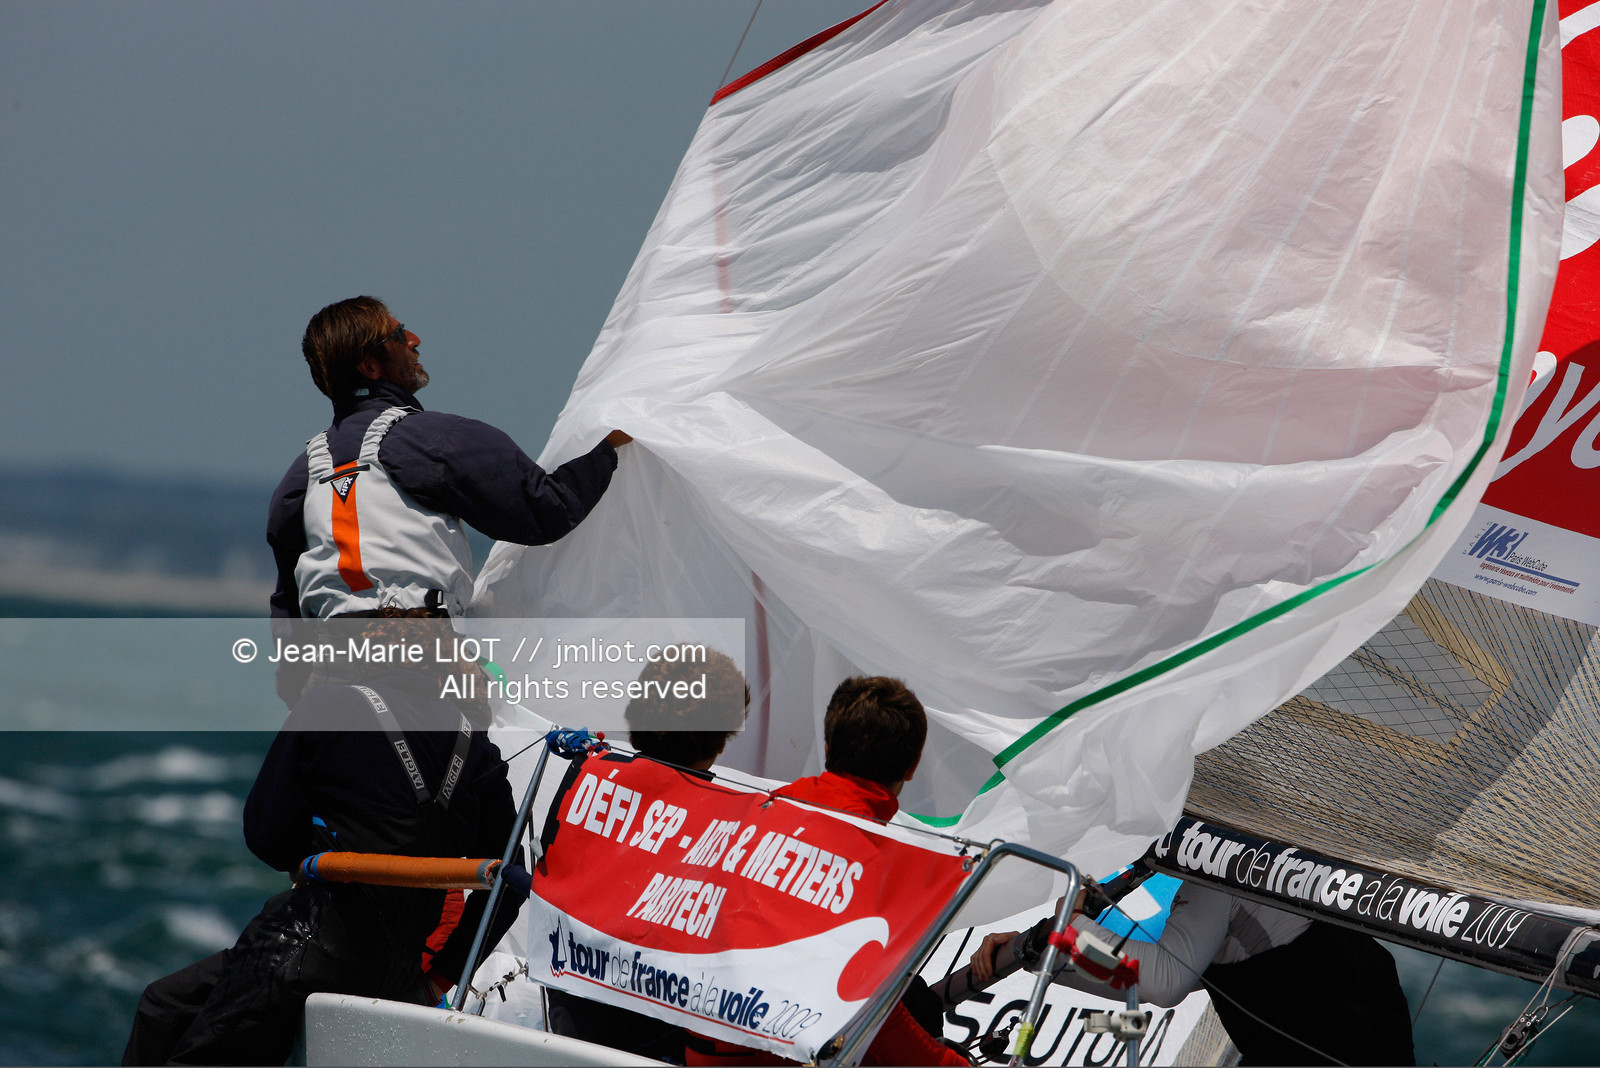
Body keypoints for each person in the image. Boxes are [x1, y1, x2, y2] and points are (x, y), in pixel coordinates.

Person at [123, 612, 523, 1065]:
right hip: (397, 971)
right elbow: (510, 882)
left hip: (302, 949)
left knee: (164, 1017)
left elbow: (267, 838)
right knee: (167, 1004)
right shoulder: (477, 745)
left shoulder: (331, 705)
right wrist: (438, 980)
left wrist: (319, 842)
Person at [267, 295, 629, 700]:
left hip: (327, 679)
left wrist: (298, 698)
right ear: (370, 367)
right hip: (419, 667)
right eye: (398, 334)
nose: (414, 339)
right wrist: (606, 449)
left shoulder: (299, 478)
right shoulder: (435, 442)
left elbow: (288, 616)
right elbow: (545, 510)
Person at [683, 676, 968, 1068]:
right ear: (913, 766)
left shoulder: (761, 809)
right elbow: (873, 1017)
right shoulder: (878, 862)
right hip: (773, 1057)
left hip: (700, 1047)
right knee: (919, 1008)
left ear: (828, 748)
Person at [541, 646, 750, 1065]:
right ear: (720, 738)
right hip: (663, 1039)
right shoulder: (732, 823)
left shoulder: (586, 780)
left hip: (573, 1020)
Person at [967, 879, 1415, 1066]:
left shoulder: (1223, 867)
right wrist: (1045, 953)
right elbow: (1149, 979)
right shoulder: (1247, 875)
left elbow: (1165, 982)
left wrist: (1068, 932)